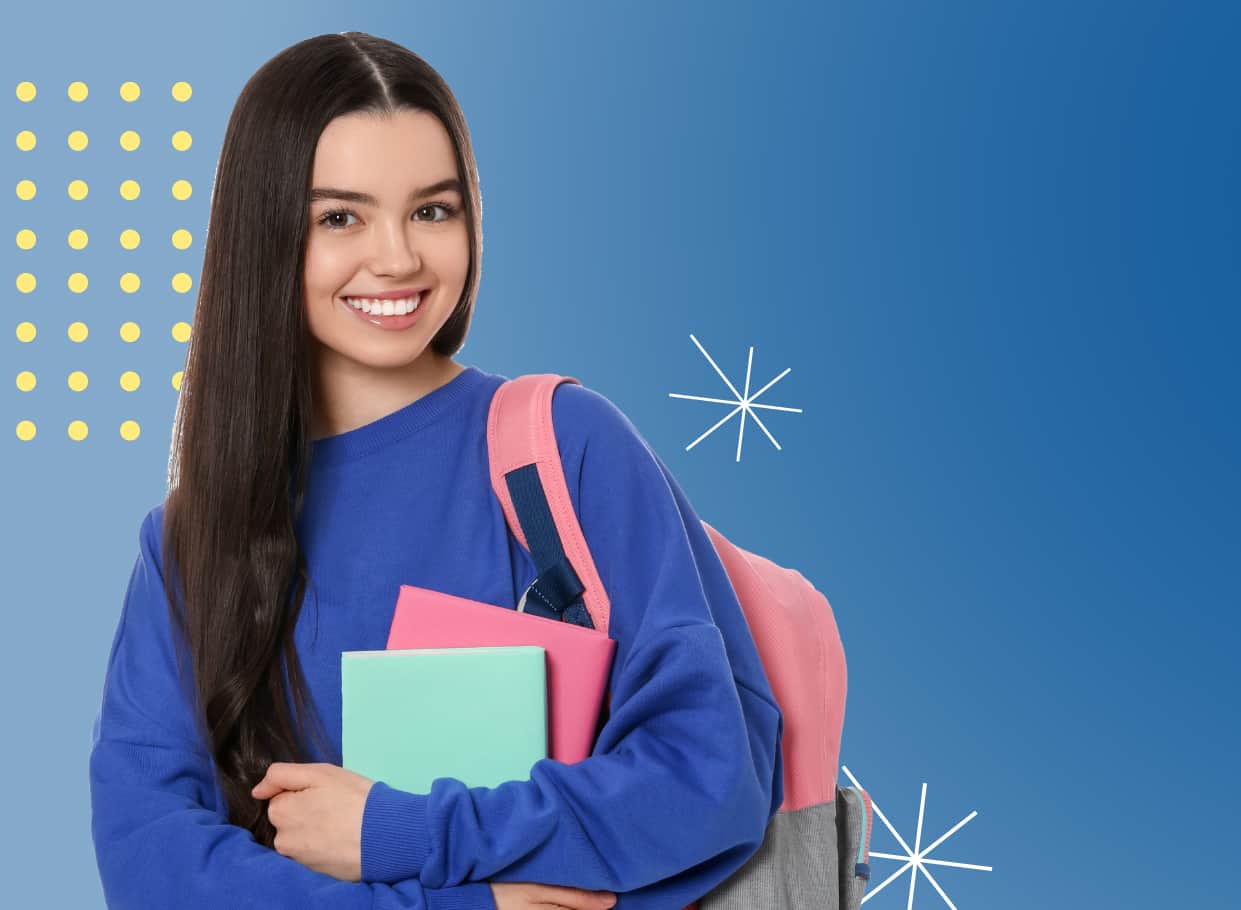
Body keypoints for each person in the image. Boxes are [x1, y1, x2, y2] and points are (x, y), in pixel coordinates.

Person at [86, 32, 784, 910]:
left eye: (432, 210)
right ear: (265, 236)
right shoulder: (190, 539)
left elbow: (708, 774)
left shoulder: (561, 449)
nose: (399, 259)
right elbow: (151, 863)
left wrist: (403, 832)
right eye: (340, 217)